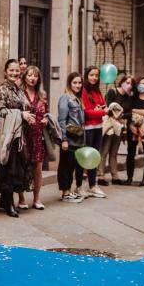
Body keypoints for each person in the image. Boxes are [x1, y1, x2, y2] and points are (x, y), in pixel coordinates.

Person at [0, 59, 34, 218]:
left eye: (17, 71)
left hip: (19, 135)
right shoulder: (2, 89)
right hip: (7, 136)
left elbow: (26, 107)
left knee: (15, 169)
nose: (15, 73)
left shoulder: (19, 89)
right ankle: (8, 203)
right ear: (5, 72)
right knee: (8, 169)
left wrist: (28, 116)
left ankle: (4, 200)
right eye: (11, 71)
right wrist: (20, 115)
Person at [17, 66, 48, 210]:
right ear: (24, 77)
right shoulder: (19, 93)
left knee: (38, 169)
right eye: (29, 75)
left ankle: (37, 199)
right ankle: (21, 198)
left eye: (35, 76)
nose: (32, 78)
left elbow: (46, 113)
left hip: (37, 136)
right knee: (22, 167)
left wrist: (46, 120)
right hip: (23, 134)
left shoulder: (42, 95)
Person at [97, 74, 134, 185]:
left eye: (131, 84)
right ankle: (101, 177)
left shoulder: (129, 97)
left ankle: (115, 176)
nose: (129, 85)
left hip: (119, 127)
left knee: (114, 152)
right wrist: (119, 114)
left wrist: (121, 115)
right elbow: (107, 108)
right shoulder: (112, 92)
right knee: (104, 151)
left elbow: (130, 114)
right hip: (109, 126)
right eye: (127, 82)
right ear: (121, 82)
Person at [57, 72, 85, 202]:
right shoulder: (65, 97)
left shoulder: (77, 98)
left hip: (77, 139)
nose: (78, 85)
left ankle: (68, 190)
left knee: (72, 165)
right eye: (75, 82)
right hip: (68, 138)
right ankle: (65, 192)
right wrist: (64, 139)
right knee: (65, 165)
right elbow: (62, 120)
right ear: (69, 83)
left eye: (79, 83)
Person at [81, 66, 107, 198]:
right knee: (86, 157)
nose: (94, 78)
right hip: (88, 129)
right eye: (92, 75)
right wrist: (102, 111)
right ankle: (79, 187)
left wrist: (101, 109)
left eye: (96, 75)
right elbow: (87, 113)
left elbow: (103, 105)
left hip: (98, 127)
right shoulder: (83, 90)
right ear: (87, 76)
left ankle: (93, 185)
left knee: (95, 157)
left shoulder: (97, 91)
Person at [127, 76, 144, 186]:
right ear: (137, 86)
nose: (143, 85)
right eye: (140, 83)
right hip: (132, 129)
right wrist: (141, 111)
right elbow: (128, 112)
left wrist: (134, 110)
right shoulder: (132, 98)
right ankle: (129, 177)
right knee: (130, 153)